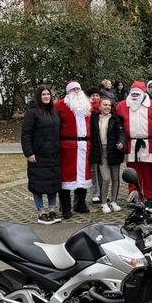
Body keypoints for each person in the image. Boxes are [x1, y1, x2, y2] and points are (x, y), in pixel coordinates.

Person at [21, 85, 61, 224]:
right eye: (43, 94)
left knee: (53, 184)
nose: (46, 97)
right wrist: (29, 152)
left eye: (48, 94)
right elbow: (25, 134)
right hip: (38, 155)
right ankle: (41, 212)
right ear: (39, 96)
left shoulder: (54, 112)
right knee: (37, 184)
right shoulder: (32, 113)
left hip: (54, 155)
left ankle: (52, 210)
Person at [116, 82, 152, 207]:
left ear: (143, 93)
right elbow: (118, 126)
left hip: (148, 143)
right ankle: (135, 196)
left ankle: (150, 196)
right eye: (133, 93)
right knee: (133, 172)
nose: (134, 96)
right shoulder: (121, 106)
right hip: (131, 143)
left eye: (137, 93)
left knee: (148, 172)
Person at [55, 81, 93, 219]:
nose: (76, 91)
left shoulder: (87, 105)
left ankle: (80, 203)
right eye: (73, 89)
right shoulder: (59, 106)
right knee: (66, 178)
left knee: (83, 176)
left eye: (78, 88)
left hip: (84, 145)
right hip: (67, 146)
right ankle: (65, 207)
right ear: (68, 92)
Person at [89, 97, 126, 213]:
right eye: (105, 105)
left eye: (109, 105)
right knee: (105, 178)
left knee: (115, 178)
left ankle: (114, 201)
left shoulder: (116, 119)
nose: (107, 107)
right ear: (99, 107)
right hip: (100, 152)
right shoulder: (93, 119)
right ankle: (104, 202)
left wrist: (121, 142)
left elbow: (121, 133)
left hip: (114, 151)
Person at [85, 87, 102, 204]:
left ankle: (102, 192)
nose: (95, 98)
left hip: (103, 142)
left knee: (103, 170)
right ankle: (95, 192)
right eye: (93, 96)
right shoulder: (86, 110)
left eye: (97, 96)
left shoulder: (104, 108)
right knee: (93, 170)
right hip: (91, 142)